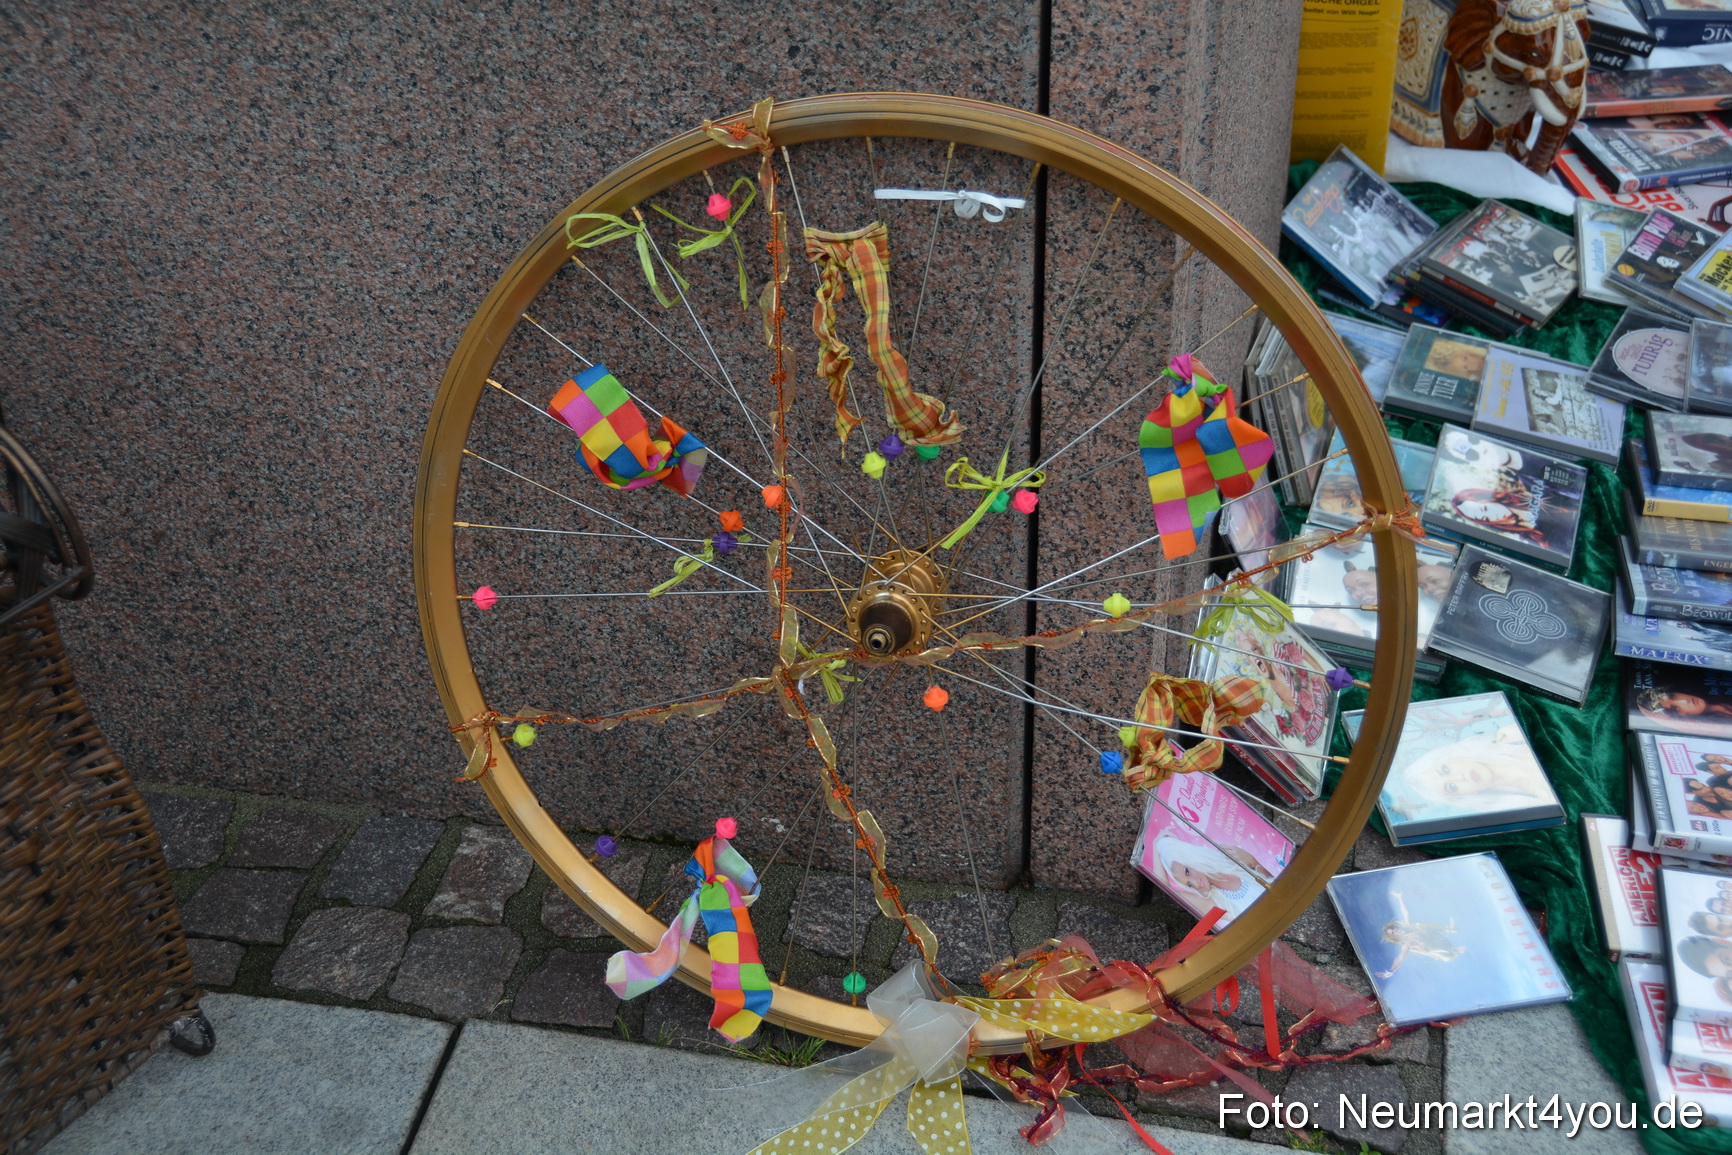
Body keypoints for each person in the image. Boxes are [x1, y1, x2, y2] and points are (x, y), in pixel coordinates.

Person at [1391, 724, 1552, 817]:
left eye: (1445, 770)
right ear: (1464, 796)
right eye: (1451, 787)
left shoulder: (1514, 734)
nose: (1459, 778)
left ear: (1451, 756)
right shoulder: (1540, 804)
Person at [1148, 831, 1261, 921]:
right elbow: (1165, 887)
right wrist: (1155, 845)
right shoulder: (1214, 902)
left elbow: (1274, 878)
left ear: (1191, 856)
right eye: (1188, 884)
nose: (1194, 883)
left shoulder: (1231, 857)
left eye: (1187, 872)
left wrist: (1252, 861)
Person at [1376, 891, 1465, 978]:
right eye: (1393, 933)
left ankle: (1449, 928)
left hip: (1439, 940)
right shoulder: (1407, 943)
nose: (1395, 931)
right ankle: (1453, 948)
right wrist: (1391, 971)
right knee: (1419, 938)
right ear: (1396, 937)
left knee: (1419, 925)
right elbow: (1400, 957)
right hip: (1443, 953)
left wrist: (1400, 898)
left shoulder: (1410, 927)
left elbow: (1405, 913)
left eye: (1393, 929)